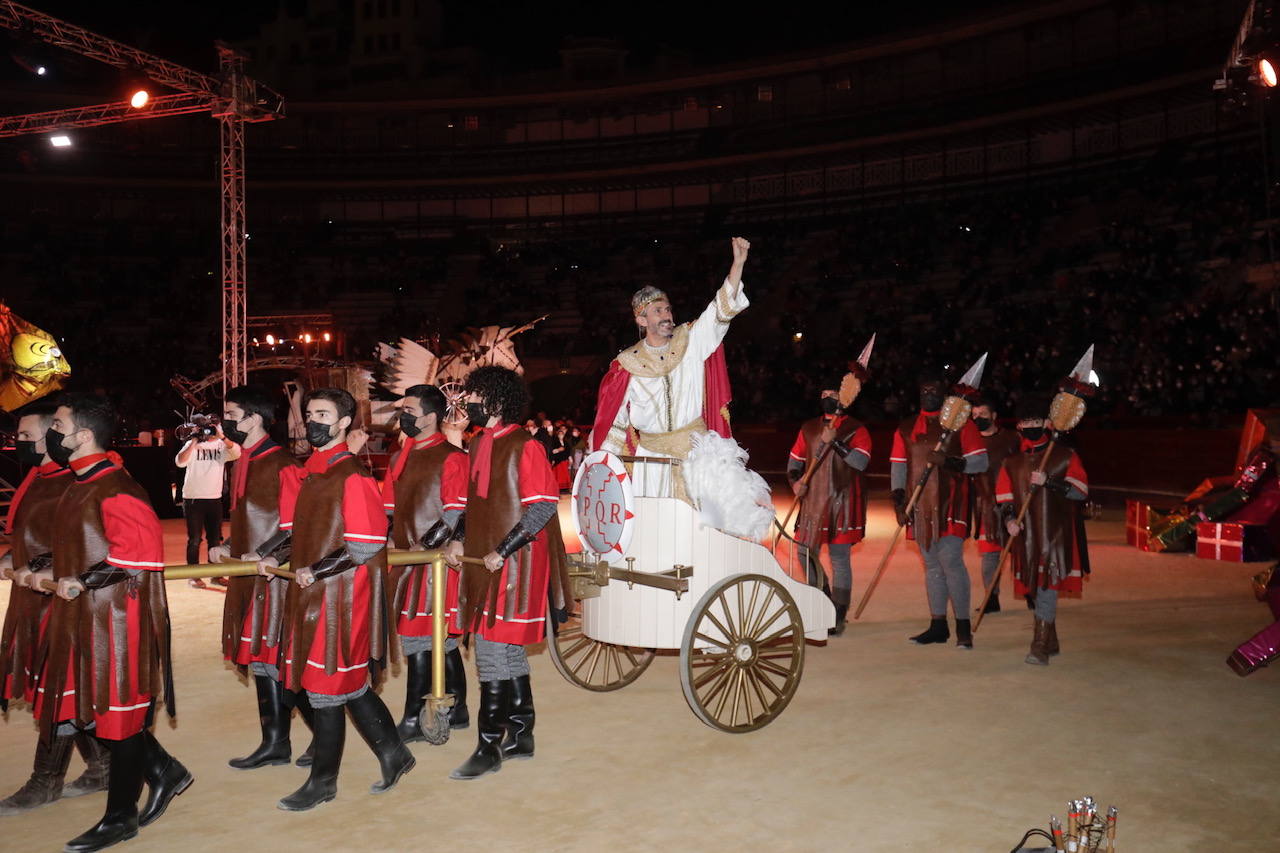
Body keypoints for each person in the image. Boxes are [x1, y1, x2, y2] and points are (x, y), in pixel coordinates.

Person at [31, 393, 189, 852]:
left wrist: (80, 580)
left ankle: (121, 817)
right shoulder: (80, 483)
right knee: (89, 711)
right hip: (88, 616)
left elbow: (137, 558)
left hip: (119, 620)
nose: (51, 435)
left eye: (58, 426)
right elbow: (85, 543)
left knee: (118, 717)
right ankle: (164, 772)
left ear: (83, 436)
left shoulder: (116, 487)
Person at [268, 387, 413, 811]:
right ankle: (395, 753)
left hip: (342, 599)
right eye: (309, 413)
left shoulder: (352, 476)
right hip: (316, 595)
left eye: (323, 414)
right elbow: (295, 531)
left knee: (328, 687)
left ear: (344, 423)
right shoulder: (312, 471)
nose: (313, 420)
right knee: (345, 684)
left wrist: (316, 569)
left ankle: (323, 782)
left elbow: (366, 546)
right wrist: (264, 555)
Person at [592, 237, 772, 540]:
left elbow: (720, 311)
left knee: (707, 533)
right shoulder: (627, 365)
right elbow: (616, 423)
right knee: (657, 534)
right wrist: (604, 466)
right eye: (658, 311)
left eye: (668, 309)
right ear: (640, 319)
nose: (667, 315)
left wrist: (737, 265)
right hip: (651, 461)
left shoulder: (691, 340)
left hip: (698, 455)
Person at [444, 366, 573, 780]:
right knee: (507, 651)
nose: (469, 404)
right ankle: (521, 733)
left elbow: (542, 507)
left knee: (491, 653)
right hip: (486, 559)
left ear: (497, 401)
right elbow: (471, 504)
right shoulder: (480, 442)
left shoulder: (525, 445)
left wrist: (503, 549)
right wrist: (459, 538)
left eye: (476, 397)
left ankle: (489, 745)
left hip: (515, 562)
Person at [0, 401, 109, 815]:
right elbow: (33, 534)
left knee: (58, 691)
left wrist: (39, 565)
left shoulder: (75, 481)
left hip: (62, 601)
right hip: (34, 597)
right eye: (18, 438)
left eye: (27, 438)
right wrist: (15, 557)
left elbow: (86, 544)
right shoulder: (38, 477)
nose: (20, 445)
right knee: (59, 689)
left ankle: (45, 780)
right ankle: (103, 766)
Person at [208, 385, 308, 770]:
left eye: (232, 415)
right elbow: (254, 521)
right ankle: (275, 743)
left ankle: (317, 738)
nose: (226, 422)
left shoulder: (282, 464)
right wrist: (231, 544)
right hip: (253, 576)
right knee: (264, 664)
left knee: (279, 662)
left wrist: (262, 554)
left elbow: (295, 527)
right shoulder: (245, 460)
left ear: (255, 419)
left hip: (275, 580)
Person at [382, 384, 470, 741]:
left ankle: (414, 718)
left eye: (410, 409)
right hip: (407, 560)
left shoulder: (452, 457)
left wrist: (422, 549)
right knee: (433, 640)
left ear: (431, 417)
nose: (403, 416)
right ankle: (459, 708)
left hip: (433, 563)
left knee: (424, 639)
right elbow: (389, 509)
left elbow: (456, 512)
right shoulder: (399, 456)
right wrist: (389, 540)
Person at [890, 374, 988, 648]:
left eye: (934, 390)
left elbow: (980, 462)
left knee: (951, 563)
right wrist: (898, 502)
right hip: (918, 505)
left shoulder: (961, 425)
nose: (928, 394)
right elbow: (898, 467)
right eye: (924, 390)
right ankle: (938, 625)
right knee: (932, 565)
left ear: (945, 395)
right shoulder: (906, 427)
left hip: (951, 502)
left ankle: (963, 628)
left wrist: (948, 461)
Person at [998, 396, 1090, 665]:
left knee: (1047, 584)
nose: (1031, 426)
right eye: (1026, 422)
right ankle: (1051, 638)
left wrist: (1050, 482)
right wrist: (1009, 520)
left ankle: (1039, 644)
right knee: (1035, 588)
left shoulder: (1064, 455)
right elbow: (1003, 498)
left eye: (1036, 421)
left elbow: (1080, 491)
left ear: (1048, 423)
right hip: (1026, 535)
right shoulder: (1011, 462)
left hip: (1056, 533)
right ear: (1018, 426)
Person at [786, 384, 872, 636]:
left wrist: (836, 443)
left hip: (842, 501)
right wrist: (795, 482)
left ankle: (839, 612)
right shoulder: (809, 427)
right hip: (813, 500)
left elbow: (861, 461)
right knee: (804, 552)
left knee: (839, 558)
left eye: (832, 395)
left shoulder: (856, 428)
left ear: (844, 399)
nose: (826, 398)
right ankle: (823, 597)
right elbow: (795, 461)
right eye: (822, 395)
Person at [968, 397, 1021, 613]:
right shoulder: (969, 441)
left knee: (1021, 550)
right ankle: (991, 597)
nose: (977, 418)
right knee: (990, 554)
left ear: (994, 416)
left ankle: (1029, 592)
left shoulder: (1011, 439)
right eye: (974, 415)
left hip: (1013, 500)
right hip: (985, 504)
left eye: (982, 414)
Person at [174, 418, 240, 565]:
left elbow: (236, 452)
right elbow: (179, 462)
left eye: (211, 428)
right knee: (195, 539)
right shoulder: (191, 445)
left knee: (214, 539)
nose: (208, 432)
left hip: (214, 498)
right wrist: (194, 441)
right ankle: (193, 575)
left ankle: (215, 574)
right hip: (193, 498)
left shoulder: (221, 446)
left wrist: (221, 437)